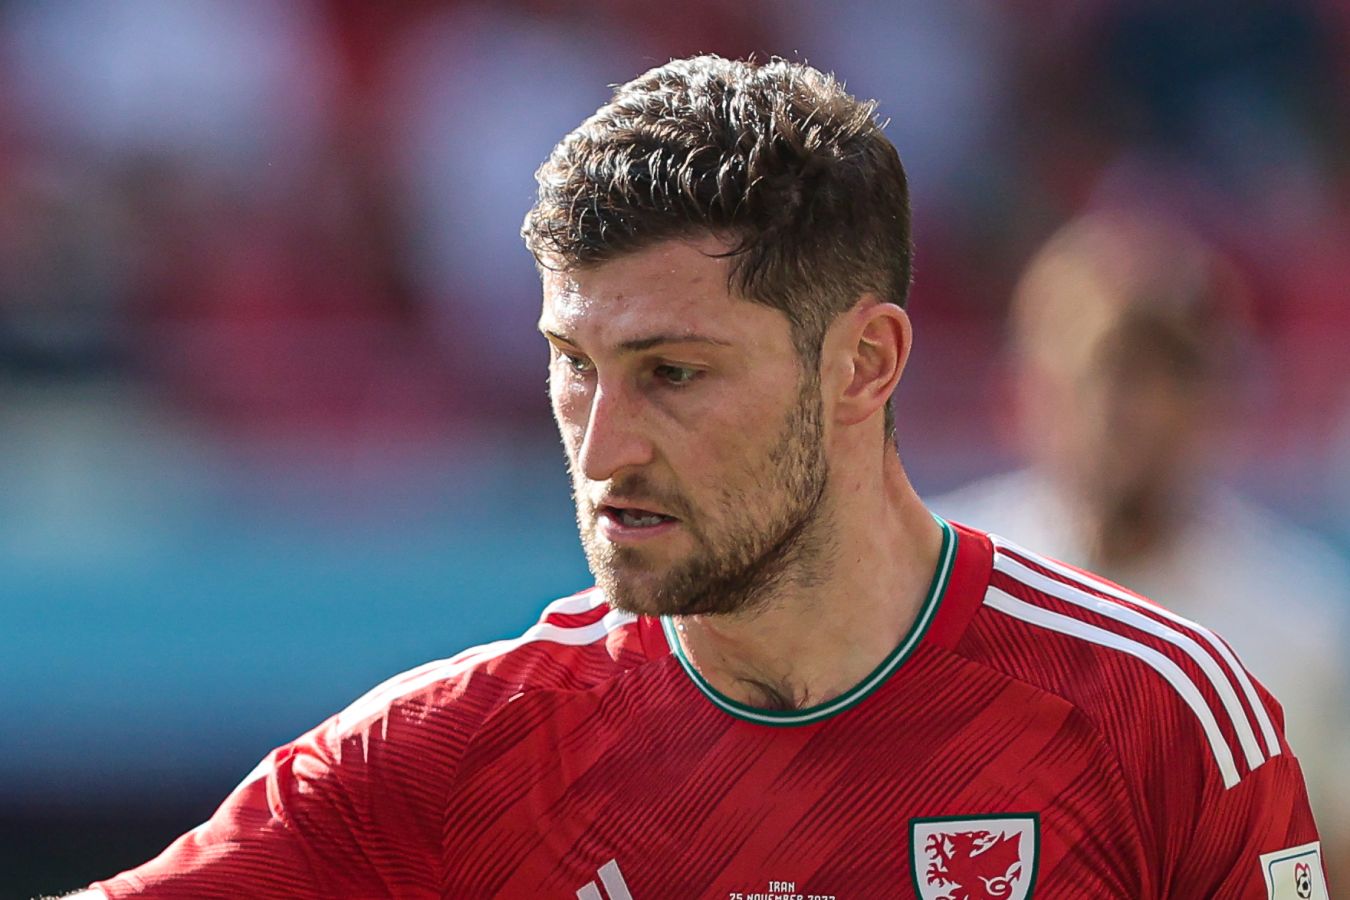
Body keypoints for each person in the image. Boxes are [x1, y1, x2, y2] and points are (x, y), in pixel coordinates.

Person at [72, 56, 1325, 899]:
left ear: (864, 364)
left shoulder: (1159, 719)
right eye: (575, 366)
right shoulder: (451, 760)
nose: (601, 447)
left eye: (673, 372)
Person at [934, 209, 1350, 888]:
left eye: (1173, 373)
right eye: (1107, 368)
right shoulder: (934, 580)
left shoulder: (1303, 616)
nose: (1138, 408)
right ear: (1030, 384)